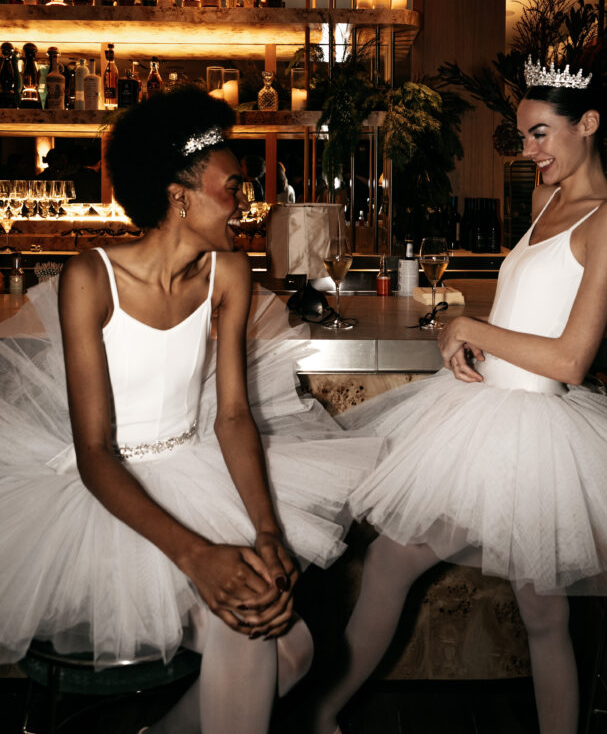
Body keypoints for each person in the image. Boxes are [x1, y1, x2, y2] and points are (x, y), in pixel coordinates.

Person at [309, 59, 607, 734]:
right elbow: (527, 308)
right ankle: (325, 716)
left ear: (587, 125)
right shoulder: (545, 200)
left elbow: (569, 360)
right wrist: (470, 340)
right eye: (522, 136)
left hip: (538, 430)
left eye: (540, 134)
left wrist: (470, 326)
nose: (527, 150)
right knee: (401, 564)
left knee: (539, 613)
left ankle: (323, 715)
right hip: (481, 416)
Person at [0, 86, 379, 734]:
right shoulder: (91, 279)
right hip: (105, 498)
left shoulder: (227, 271)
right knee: (255, 640)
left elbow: (232, 417)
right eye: (232, 185)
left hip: (194, 466)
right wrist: (200, 556)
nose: (245, 200)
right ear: (180, 196)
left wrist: (266, 531)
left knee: (297, 652)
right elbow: (95, 452)